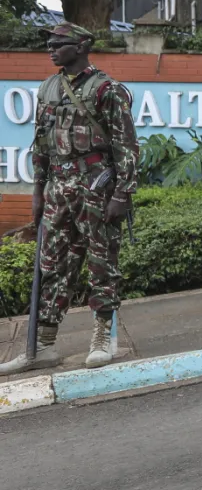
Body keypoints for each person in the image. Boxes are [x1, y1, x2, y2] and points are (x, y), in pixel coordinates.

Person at [0, 22, 139, 375]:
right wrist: (37, 192)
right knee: (52, 267)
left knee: (101, 264)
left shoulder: (107, 90)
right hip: (58, 190)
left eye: (58, 43)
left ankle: (104, 339)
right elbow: (41, 145)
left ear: (80, 46)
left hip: (96, 188)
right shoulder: (47, 88)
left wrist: (122, 195)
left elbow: (126, 147)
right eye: (48, 42)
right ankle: (41, 345)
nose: (51, 48)